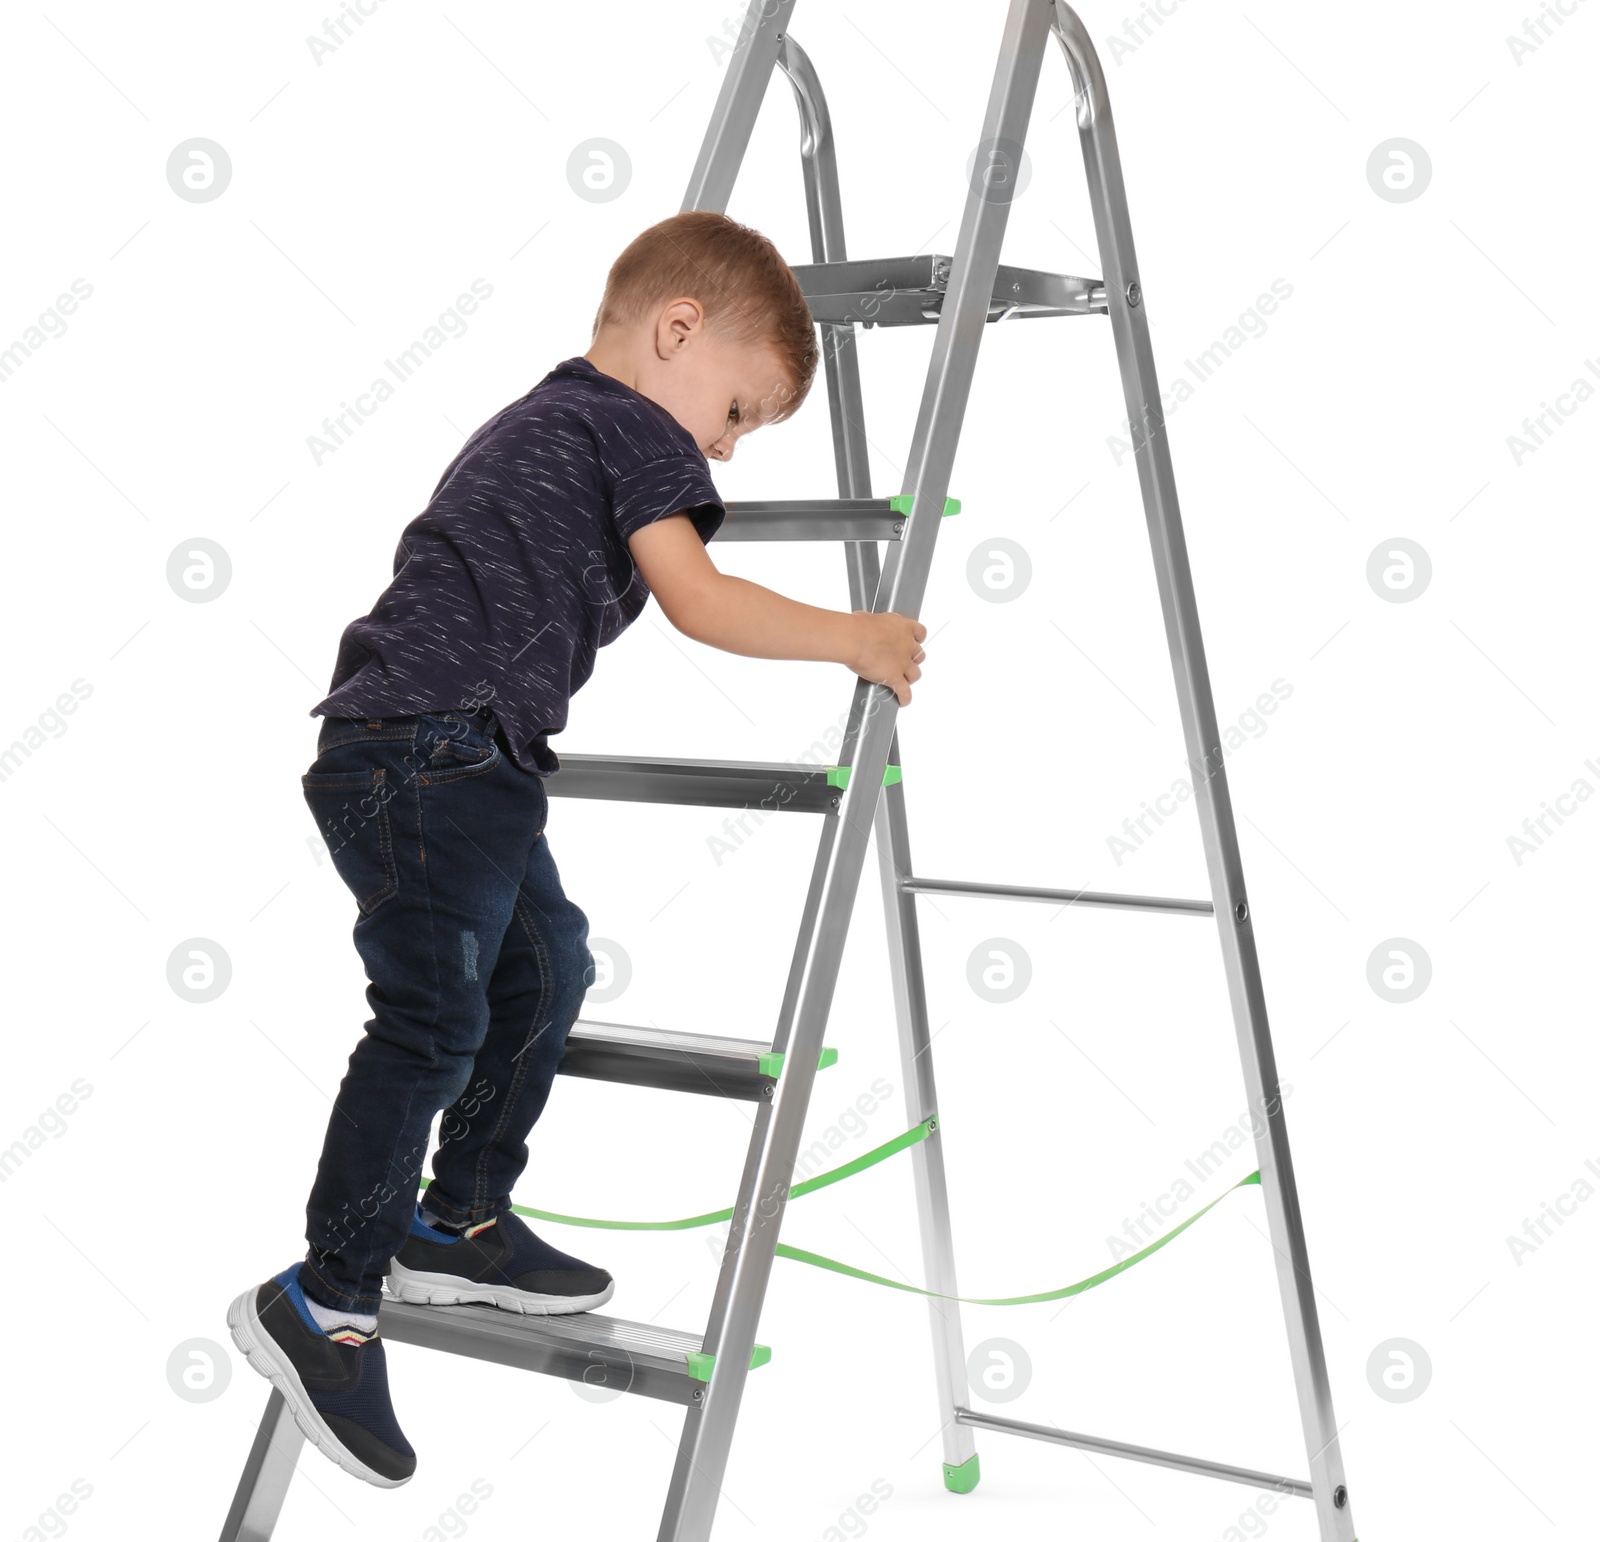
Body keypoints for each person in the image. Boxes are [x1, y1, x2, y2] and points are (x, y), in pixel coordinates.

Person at [226, 209, 927, 1487]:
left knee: (547, 969)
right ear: (674, 337)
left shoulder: (553, 414)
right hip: (433, 747)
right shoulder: (633, 429)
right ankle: (324, 1302)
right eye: (733, 415)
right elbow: (699, 601)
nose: (722, 452)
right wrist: (857, 636)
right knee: (432, 1022)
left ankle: (461, 1217)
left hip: (454, 753)